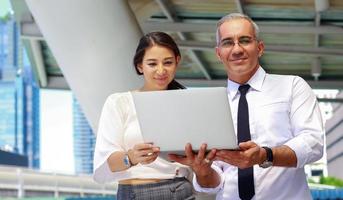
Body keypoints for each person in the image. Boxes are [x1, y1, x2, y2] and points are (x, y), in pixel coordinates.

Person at [169, 13, 324, 200]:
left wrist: (265, 155)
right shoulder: (210, 106)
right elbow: (214, 182)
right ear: (219, 53)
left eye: (244, 40)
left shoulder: (292, 86)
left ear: (260, 48)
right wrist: (202, 171)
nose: (237, 49)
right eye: (227, 42)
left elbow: (313, 143)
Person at [93, 31, 195, 200]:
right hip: (136, 192)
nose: (161, 70)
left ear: (177, 62)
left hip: (181, 190)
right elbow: (107, 162)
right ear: (140, 66)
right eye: (152, 64)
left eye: (168, 62)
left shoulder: (188, 104)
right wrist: (131, 157)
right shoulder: (119, 102)